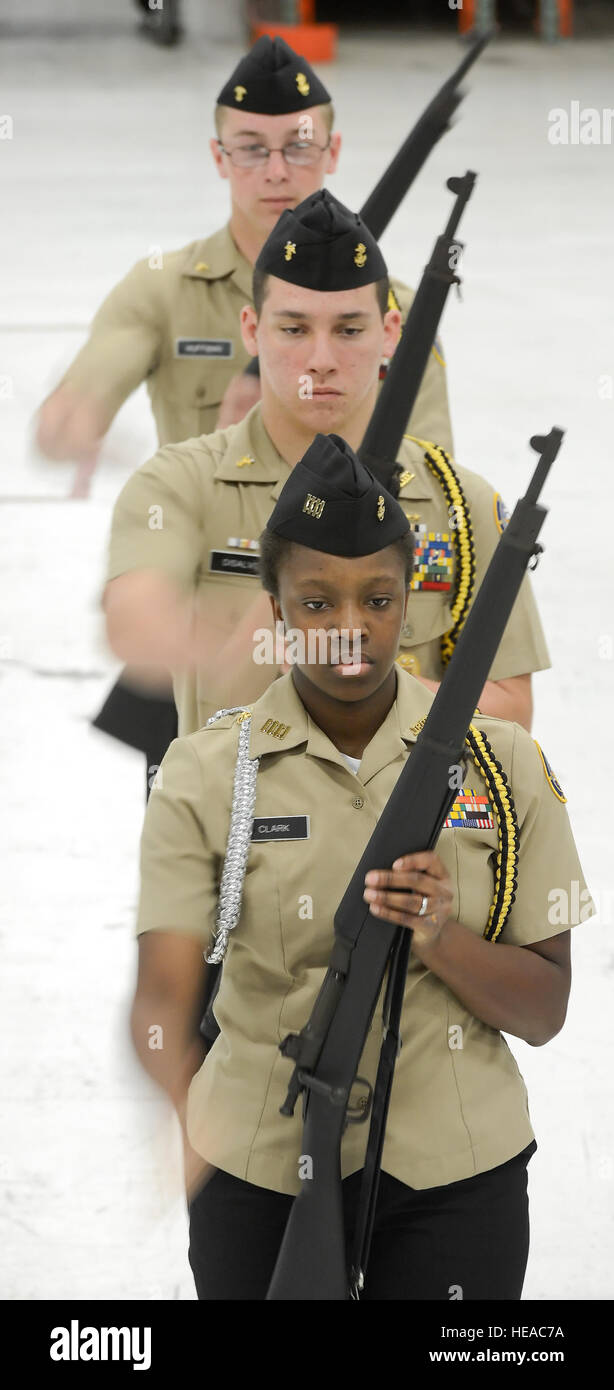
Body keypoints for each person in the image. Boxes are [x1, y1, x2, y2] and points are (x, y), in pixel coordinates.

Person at [129, 432, 594, 1301]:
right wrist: (210, 1128)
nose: (350, 629)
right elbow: (162, 1000)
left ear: (411, 604)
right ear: (273, 609)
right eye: (315, 604)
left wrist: (440, 937)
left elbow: (546, 1011)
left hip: (456, 1173)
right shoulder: (202, 772)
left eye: (378, 599)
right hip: (256, 1171)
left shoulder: (502, 762)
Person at [103, 189, 549, 748]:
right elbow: (138, 625)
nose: (321, 358)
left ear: (390, 333)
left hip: (403, 829)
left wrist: (369, 685)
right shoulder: (179, 485)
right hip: (244, 822)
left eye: (349, 329)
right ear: (251, 329)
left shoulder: (461, 503)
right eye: (293, 329)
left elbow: (511, 713)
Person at [34, 34, 453, 493]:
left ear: (331, 153)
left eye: (298, 146)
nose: (276, 171)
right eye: (252, 149)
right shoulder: (164, 290)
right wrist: (73, 427)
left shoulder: (396, 314)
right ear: (220, 157)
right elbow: (64, 426)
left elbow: (431, 486)